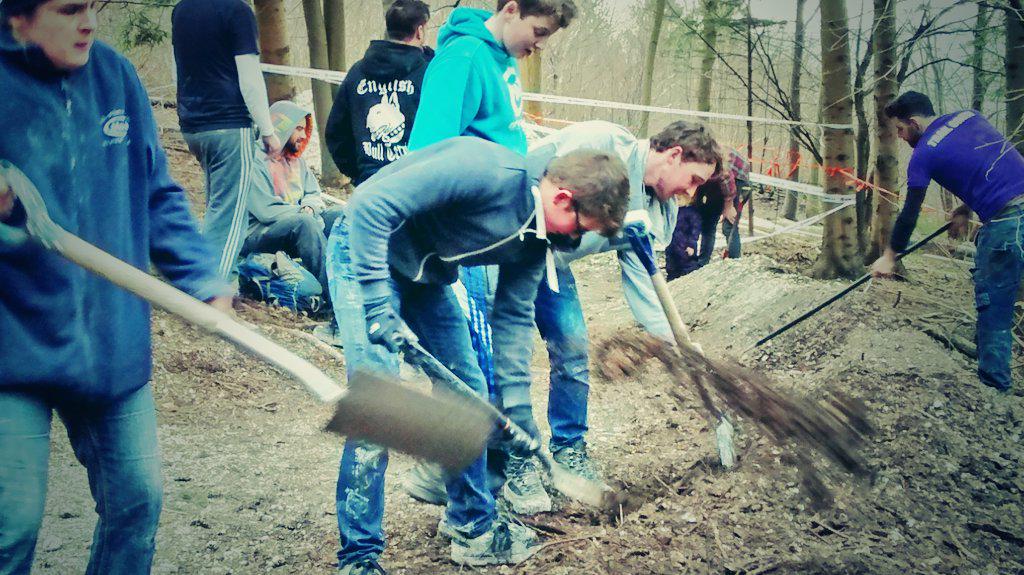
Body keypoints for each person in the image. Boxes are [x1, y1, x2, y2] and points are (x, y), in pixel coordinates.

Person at [326, 138, 629, 573]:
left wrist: (519, 418)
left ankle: (472, 526)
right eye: (581, 229)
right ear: (563, 198)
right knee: (377, 402)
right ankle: (359, 558)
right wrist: (376, 302)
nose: (576, 241)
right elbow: (371, 205)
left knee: (468, 392)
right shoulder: (483, 170)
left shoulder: (537, 241)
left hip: (423, 275)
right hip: (363, 253)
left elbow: (511, 320)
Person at [0, 1, 231, 573]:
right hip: (13, 350)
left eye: (93, 7)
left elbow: (157, 192)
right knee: (12, 524)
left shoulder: (115, 76)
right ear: (17, 19)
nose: (90, 23)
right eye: (69, 9)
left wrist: (199, 274)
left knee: (137, 502)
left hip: (111, 348)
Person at [403, 0, 576, 507]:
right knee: (472, 367)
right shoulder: (462, 60)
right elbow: (428, 153)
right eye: (538, 30)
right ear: (511, 8)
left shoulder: (500, 61)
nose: (539, 44)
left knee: (494, 360)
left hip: (500, 227)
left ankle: (465, 480)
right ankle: (458, 487)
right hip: (462, 237)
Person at [870, 91, 1024, 393]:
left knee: (994, 305)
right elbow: (989, 162)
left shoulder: (924, 153)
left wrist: (890, 255)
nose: (901, 137)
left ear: (913, 123)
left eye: (900, 130)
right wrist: (965, 208)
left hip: (1009, 224)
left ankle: (994, 394)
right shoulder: (969, 116)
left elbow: (910, 212)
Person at [172, 0, 281, 282]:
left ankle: (226, 279)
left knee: (217, 206)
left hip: (193, 124)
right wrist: (268, 130)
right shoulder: (237, 11)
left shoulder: (183, 9)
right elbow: (250, 78)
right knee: (230, 214)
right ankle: (210, 288)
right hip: (229, 124)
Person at [325, 0, 432, 187]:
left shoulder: (357, 72)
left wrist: (358, 173)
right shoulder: (430, 73)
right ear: (420, 31)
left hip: (371, 186)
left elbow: (336, 133)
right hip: (416, 187)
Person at [244, 100, 344, 300]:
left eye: (304, 129)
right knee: (305, 223)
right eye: (297, 129)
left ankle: (356, 285)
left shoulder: (297, 161)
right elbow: (265, 210)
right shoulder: (254, 160)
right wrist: (303, 214)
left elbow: (314, 194)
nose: (303, 135)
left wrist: (309, 207)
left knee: (341, 216)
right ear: (281, 127)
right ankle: (335, 300)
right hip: (258, 233)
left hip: (298, 224)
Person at [694, 148, 750, 266]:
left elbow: (726, 177)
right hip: (717, 176)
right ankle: (702, 262)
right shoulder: (692, 163)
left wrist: (728, 206)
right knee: (708, 220)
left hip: (737, 175)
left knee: (728, 224)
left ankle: (734, 263)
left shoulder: (715, 165)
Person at [665, 202, 704, 280]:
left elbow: (695, 229)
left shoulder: (691, 212)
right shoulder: (671, 210)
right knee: (671, 265)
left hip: (685, 244)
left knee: (688, 264)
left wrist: (691, 244)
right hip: (672, 243)